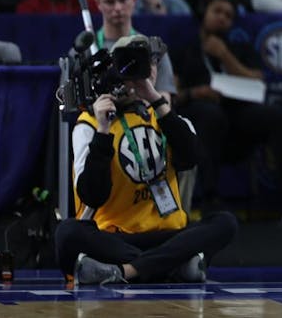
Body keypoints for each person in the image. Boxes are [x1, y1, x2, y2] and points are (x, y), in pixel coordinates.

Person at [56, 35, 238, 285]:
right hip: (116, 237)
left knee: (224, 222)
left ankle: (127, 271)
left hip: (167, 234)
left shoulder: (168, 117)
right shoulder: (90, 124)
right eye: (130, 63)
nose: (144, 69)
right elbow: (93, 195)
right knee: (67, 232)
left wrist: (155, 99)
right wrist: (103, 130)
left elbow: (191, 159)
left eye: (151, 62)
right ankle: (175, 266)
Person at [172, 0, 282, 219]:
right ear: (204, 14)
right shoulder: (185, 50)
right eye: (217, 11)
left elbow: (257, 81)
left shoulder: (239, 49)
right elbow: (172, 95)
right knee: (210, 115)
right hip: (200, 117)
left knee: (276, 117)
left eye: (228, 16)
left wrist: (225, 56)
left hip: (237, 114)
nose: (222, 18)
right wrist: (196, 92)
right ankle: (210, 197)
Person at [85, 0, 177, 101]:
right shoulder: (87, 51)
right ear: (98, 3)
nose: (117, 8)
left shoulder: (153, 49)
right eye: (110, 2)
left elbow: (165, 101)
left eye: (123, 0)